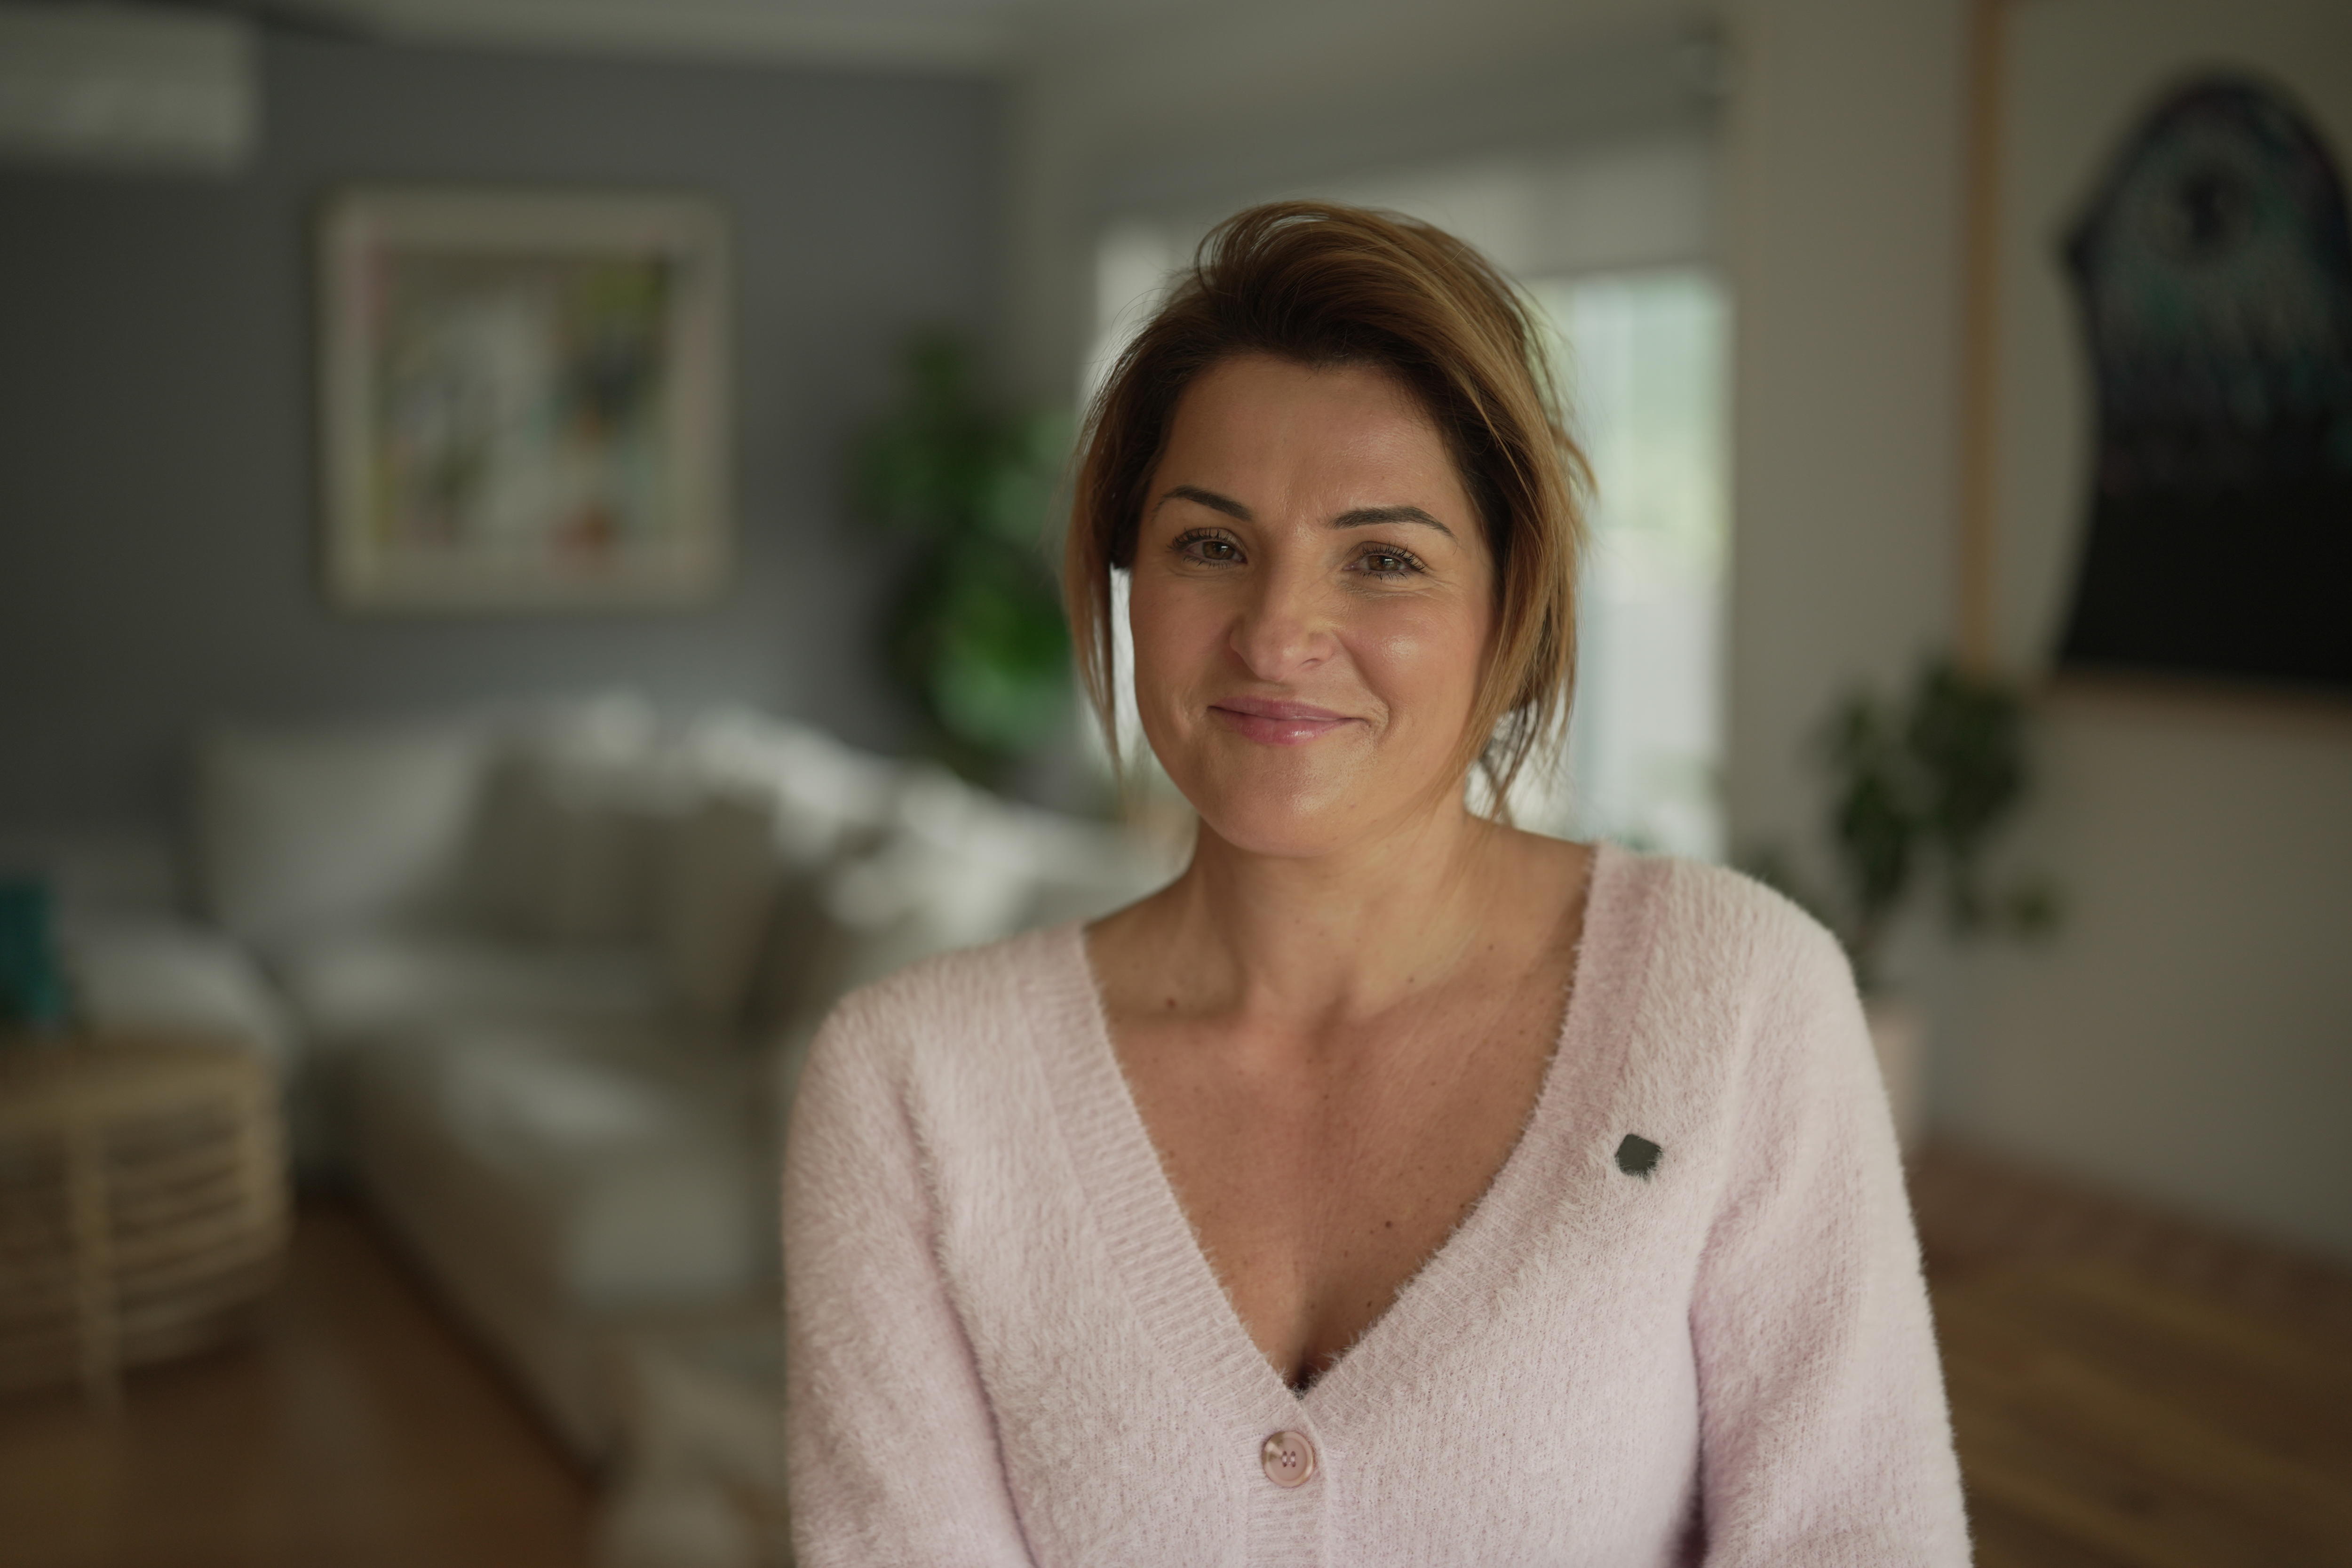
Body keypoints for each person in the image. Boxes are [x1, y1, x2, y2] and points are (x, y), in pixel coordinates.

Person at [782, 201, 1970, 1566]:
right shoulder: (911, 1086)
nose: (1280, 632)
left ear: (1510, 606)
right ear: (1126, 572)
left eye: (1386, 559)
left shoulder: (1738, 1000)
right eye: (1212, 545)